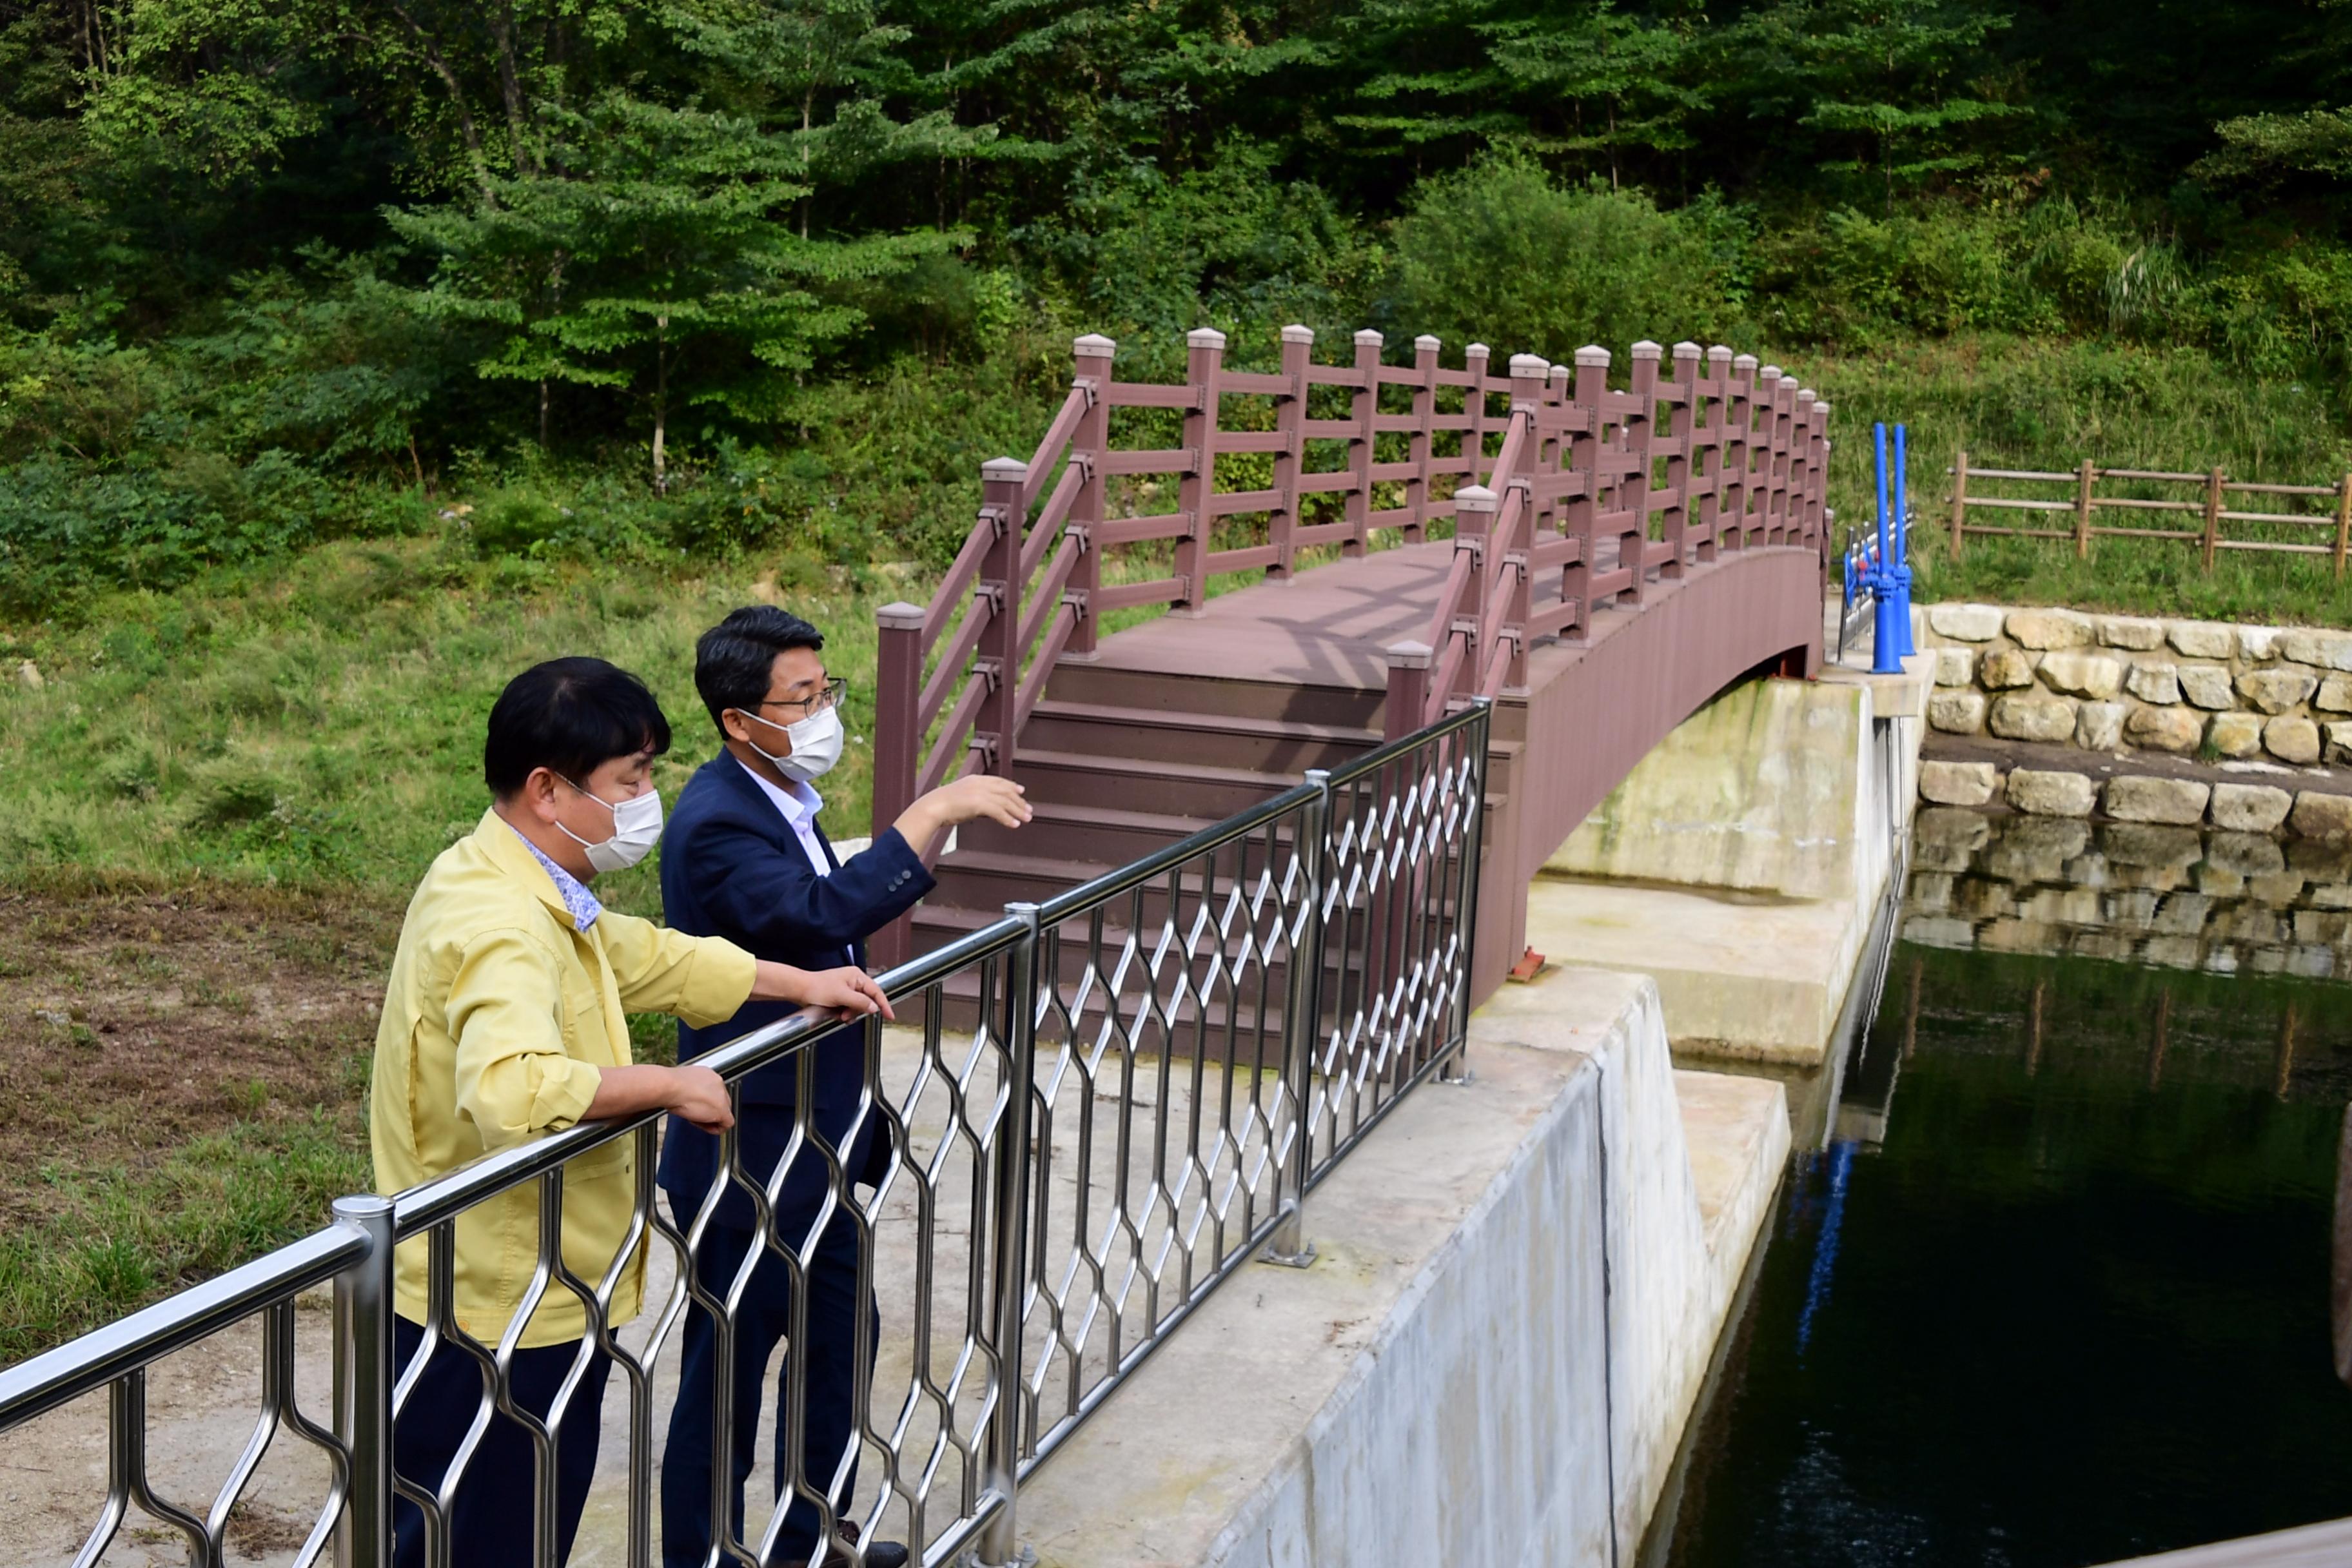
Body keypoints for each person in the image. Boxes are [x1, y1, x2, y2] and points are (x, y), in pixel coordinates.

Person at [368, 656, 892, 1568]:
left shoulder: (515, 875)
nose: (648, 797)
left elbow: (644, 956)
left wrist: (800, 981)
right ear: (548, 789)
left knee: (487, 1525)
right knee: (492, 1536)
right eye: (631, 780)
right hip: (499, 1298)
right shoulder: (503, 923)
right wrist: (670, 1084)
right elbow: (513, 1090)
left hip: (515, 1281)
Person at [657, 606, 1030, 1568]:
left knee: (837, 1345)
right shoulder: (715, 823)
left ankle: (809, 1539)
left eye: (829, 693)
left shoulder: (780, 797)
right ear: (741, 720)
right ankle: (704, 1552)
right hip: (748, 1142)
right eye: (803, 699)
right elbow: (818, 912)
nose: (825, 713)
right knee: (728, 1372)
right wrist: (931, 814)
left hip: (816, 1138)